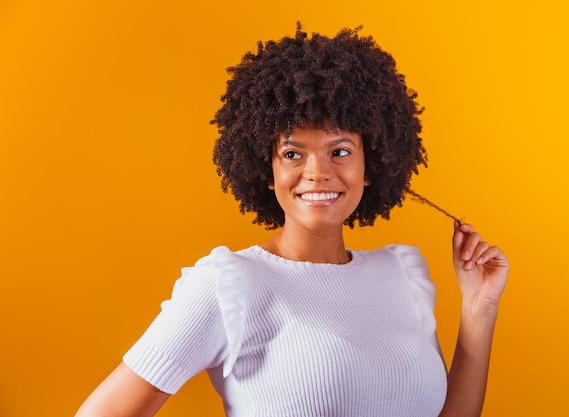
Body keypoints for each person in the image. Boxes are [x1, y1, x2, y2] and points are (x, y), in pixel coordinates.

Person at [76, 24, 508, 417]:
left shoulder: (400, 277)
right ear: (267, 170)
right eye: (292, 153)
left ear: (369, 165)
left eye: (339, 151)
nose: (318, 172)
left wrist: (478, 308)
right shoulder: (229, 286)